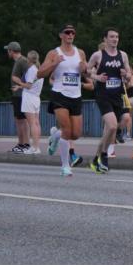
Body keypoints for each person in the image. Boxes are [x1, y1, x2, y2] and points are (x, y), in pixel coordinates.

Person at [37, 24, 89, 177]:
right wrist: (54, 63)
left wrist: (84, 69)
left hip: (76, 95)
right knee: (67, 130)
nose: (70, 35)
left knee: (76, 134)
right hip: (59, 94)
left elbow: (86, 73)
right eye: (67, 32)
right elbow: (40, 73)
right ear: (61, 35)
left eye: (72, 32)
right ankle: (65, 166)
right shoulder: (54, 53)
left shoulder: (80, 53)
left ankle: (55, 136)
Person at [86, 29, 131, 173]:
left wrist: (126, 75)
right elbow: (87, 70)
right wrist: (97, 77)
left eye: (117, 37)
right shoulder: (98, 55)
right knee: (111, 127)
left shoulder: (123, 55)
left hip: (118, 95)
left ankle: (95, 159)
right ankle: (104, 156)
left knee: (123, 121)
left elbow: (129, 74)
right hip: (103, 95)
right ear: (105, 39)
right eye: (112, 37)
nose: (115, 39)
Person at [5, 41, 31, 154]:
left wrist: (21, 86)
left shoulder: (22, 61)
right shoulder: (20, 61)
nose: (7, 52)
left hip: (21, 95)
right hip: (18, 95)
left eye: (8, 50)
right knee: (20, 120)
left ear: (11, 51)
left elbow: (31, 76)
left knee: (21, 121)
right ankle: (23, 144)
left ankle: (23, 144)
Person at [20, 50, 43, 155]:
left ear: (29, 59)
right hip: (37, 97)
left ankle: (34, 147)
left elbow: (28, 85)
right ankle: (37, 147)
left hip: (29, 97)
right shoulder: (39, 69)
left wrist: (20, 84)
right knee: (36, 123)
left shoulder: (31, 70)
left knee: (32, 123)